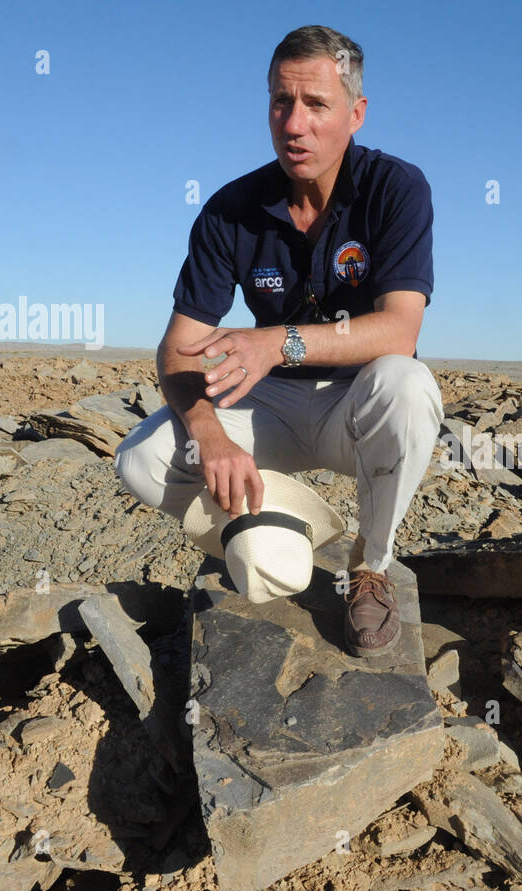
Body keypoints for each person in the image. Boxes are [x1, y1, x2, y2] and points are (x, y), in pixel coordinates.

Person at [114, 24, 443, 656]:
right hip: (271, 412)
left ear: (356, 113)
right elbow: (179, 346)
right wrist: (209, 434)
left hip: (357, 407)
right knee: (142, 457)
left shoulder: (396, 189)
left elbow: (399, 330)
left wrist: (275, 342)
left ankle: (371, 565)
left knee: (408, 386)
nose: (294, 124)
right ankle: (279, 530)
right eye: (280, 102)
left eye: (316, 104)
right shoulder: (229, 210)